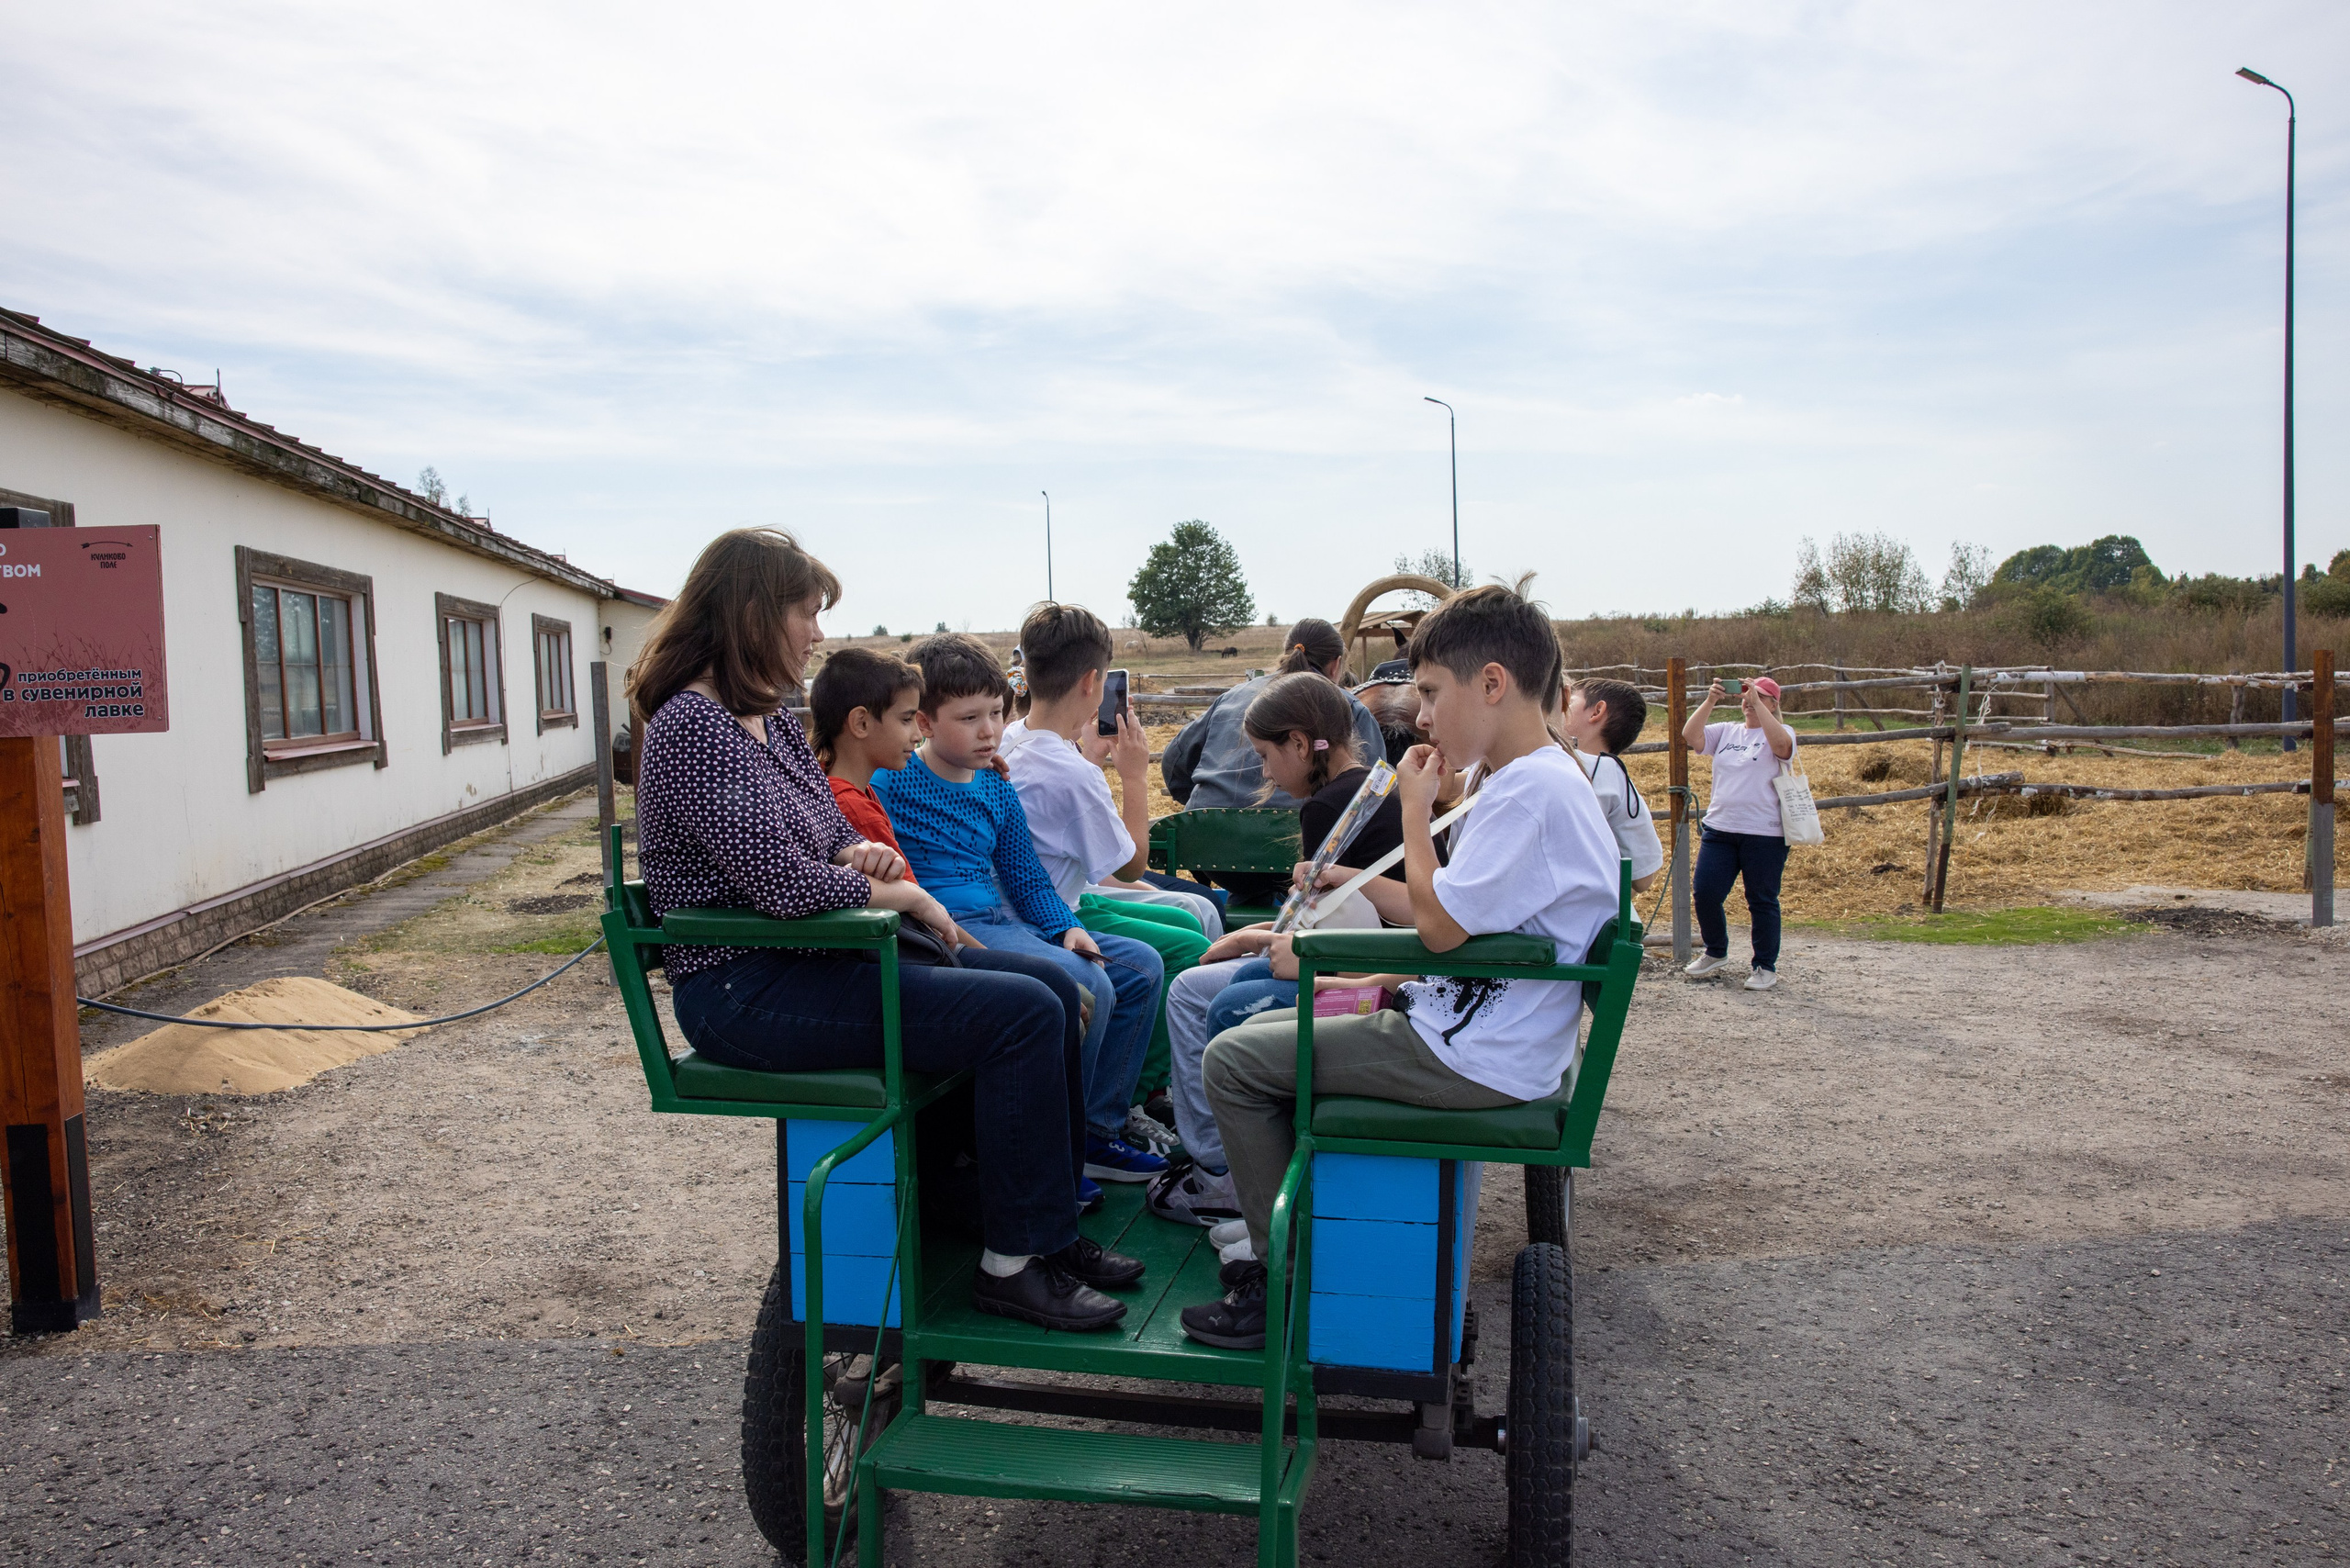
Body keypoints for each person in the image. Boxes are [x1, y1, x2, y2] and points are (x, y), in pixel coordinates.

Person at [632, 529, 1138, 1332]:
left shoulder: (761, 718)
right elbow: (779, 882)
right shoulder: (694, 725)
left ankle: (1046, 1231)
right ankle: (1014, 1262)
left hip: (815, 961)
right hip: (747, 987)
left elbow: (816, 835)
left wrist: (856, 850)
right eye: (807, 613)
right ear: (756, 615)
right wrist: (904, 899)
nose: (817, 634)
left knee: (1045, 982)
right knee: (1023, 1012)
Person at [1181, 585, 1621, 1348]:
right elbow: (1456, 918)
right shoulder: (1539, 779)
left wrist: (1415, 809)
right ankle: (1326, 1240)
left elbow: (1441, 926)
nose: (1418, 716)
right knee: (1275, 1025)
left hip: (1471, 1052)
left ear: (1491, 684)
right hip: (1480, 1027)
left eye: (1429, 692)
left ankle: (1282, 1279)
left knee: (1231, 1061)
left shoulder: (1528, 795)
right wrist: (1376, 974)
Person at [872, 633, 1172, 1184]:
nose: (989, 731)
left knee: (1140, 968)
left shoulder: (996, 787)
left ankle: (1095, 1127)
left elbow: (1027, 878)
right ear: (924, 723)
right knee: (1095, 984)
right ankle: (1060, 1147)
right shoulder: (893, 782)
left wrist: (1066, 926)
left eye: (995, 713)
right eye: (968, 718)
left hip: (1005, 918)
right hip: (945, 928)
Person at [1146, 672, 1410, 1227]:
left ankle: (1218, 1171)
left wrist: (1252, 938)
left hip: (1356, 967)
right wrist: (1254, 935)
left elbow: (1318, 932)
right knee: (1199, 984)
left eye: (1266, 755)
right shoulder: (1377, 785)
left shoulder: (1325, 809)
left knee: (1194, 995)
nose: (1264, 771)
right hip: (1379, 951)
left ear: (1298, 742)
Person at [998, 603, 1214, 1147]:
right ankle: (1128, 1099)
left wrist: (1087, 756)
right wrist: (1134, 777)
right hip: (1051, 912)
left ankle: (1142, 1089)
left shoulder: (1007, 738)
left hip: (1031, 900)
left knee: (1183, 929)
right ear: (1095, 682)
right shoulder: (1072, 771)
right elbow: (1132, 863)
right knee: (1184, 948)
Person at [1160, 618, 1389, 811]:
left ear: (1287, 653)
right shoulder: (1348, 707)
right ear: (1336, 666)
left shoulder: (1232, 696)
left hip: (1203, 827)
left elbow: (1174, 762)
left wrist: (1203, 801)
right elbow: (1373, 788)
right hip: (1303, 830)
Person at [1682, 674, 1796, 991]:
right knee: (1705, 892)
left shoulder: (1782, 731)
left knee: (1761, 899)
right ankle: (1715, 951)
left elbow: (1782, 748)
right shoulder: (1726, 732)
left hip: (1765, 833)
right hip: (1720, 828)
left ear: (1774, 704)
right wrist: (1710, 700)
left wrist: (1761, 710)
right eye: (1746, 694)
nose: (1749, 700)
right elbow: (1691, 735)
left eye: (1759, 696)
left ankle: (1764, 966)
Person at [1559, 677, 1663, 895]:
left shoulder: (1606, 773)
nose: (1560, 706)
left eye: (1571, 699)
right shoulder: (1616, 779)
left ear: (1597, 711)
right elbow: (1643, 877)